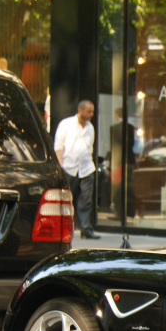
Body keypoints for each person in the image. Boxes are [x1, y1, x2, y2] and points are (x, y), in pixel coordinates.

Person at [55, 100, 98, 239]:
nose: (92, 114)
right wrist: (61, 166)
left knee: (86, 200)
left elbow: (89, 147)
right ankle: (63, 229)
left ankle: (86, 229)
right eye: (89, 111)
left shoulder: (90, 127)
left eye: (92, 111)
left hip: (86, 168)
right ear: (80, 111)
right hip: (69, 168)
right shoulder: (66, 124)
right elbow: (58, 146)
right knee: (67, 200)